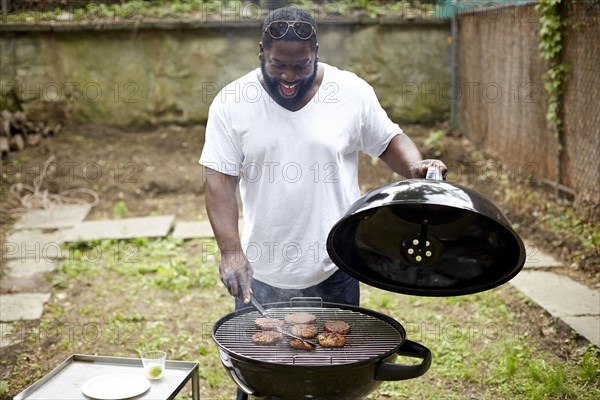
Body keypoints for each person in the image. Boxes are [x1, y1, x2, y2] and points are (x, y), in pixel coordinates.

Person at [199, 8, 445, 398]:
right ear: (261, 51)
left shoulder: (350, 92)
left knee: (334, 382)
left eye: (302, 64)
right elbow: (218, 181)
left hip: (337, 267)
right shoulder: (233, 101)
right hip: (260, 272)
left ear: (316, 51)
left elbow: (389, 141)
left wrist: (415, 166)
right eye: (279, 64)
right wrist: (230, 253)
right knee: (261, 383)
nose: (290, 76)